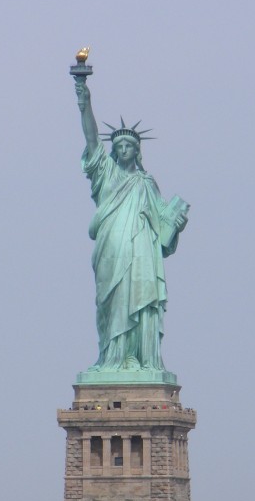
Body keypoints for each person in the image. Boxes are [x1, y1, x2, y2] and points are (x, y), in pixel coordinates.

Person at [75, 77, 188, 372]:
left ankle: (139, 357)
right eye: (119, 145)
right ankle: (112, 356)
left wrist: (177, 221)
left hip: (141, 255)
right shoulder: (106, 174)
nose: (123, 149)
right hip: (111, 249)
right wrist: (83, 100)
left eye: (129, 145)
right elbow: (90, 138)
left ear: (138, 151)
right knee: (111, 302)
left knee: (139, 299)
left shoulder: (146, 183)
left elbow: (164, 222)